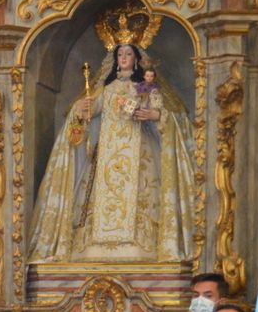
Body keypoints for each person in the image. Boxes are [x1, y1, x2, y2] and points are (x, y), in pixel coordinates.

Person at [30, 40, 198, 262]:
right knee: (101, 197)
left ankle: (141, 246)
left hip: (140, 154)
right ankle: (96, 247)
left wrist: (154, 115)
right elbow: (91, 111)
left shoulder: (145, 88)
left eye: (128, 54)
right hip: (107, 156)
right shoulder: (107, 89)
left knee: (143, 194)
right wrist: (81, 109)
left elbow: (166, 115)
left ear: (136, 59)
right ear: (116, 60)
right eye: (120, 55)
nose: (124, 58)